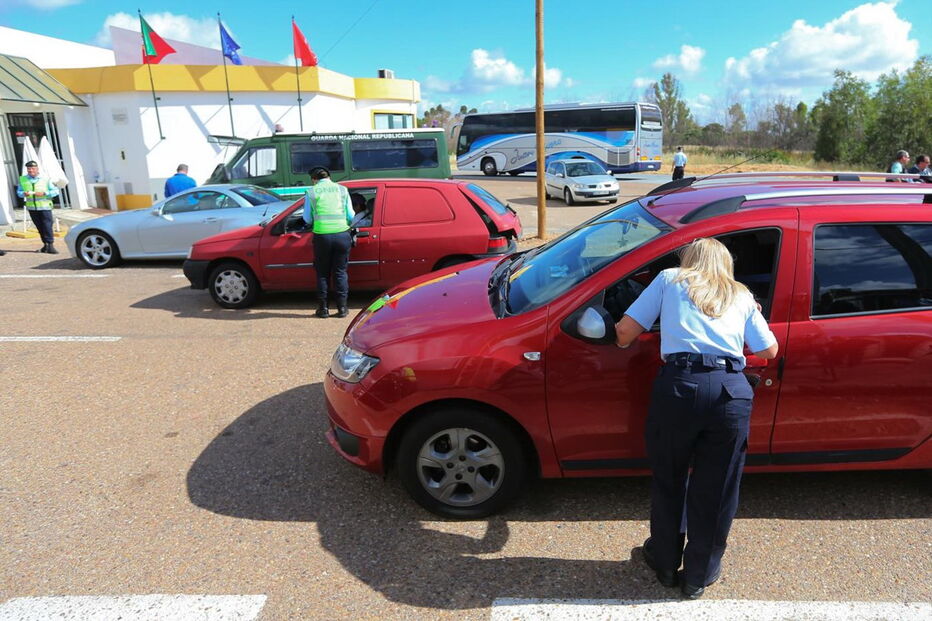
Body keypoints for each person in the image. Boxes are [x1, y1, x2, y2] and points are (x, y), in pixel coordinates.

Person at [614, 238, 778, 599]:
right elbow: (769, 349)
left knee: (669, 478)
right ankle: (698, 575)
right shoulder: (741, 294)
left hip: (679, 387)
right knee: (717, 488)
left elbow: (625, 333)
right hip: (730, 392)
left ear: (689, 260)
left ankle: (666, 564)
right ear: (726, 265)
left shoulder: (670, 279)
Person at [303, 167, 354, 318]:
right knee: (340, 272)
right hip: (342, 235)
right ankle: (342, 308)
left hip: (322, 236)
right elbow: (351, 215)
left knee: (323, 274)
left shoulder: (311, 192)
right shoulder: (343, 190)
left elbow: (307, 218)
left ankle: (323, 309)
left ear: (314, 179)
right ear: (330, 177)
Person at [17, 160, 60, 254]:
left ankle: (50, 245)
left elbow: (56, 191)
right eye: (28, 169)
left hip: (45, 207)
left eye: (32, 168)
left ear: (37, 169)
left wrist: (44, 193)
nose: (30, 170)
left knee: (47, 226)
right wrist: (23, 194)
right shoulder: (23, 179)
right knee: (39, 227)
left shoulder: (46, 179)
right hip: (32, 208)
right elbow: (19, 192)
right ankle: (45, 245)